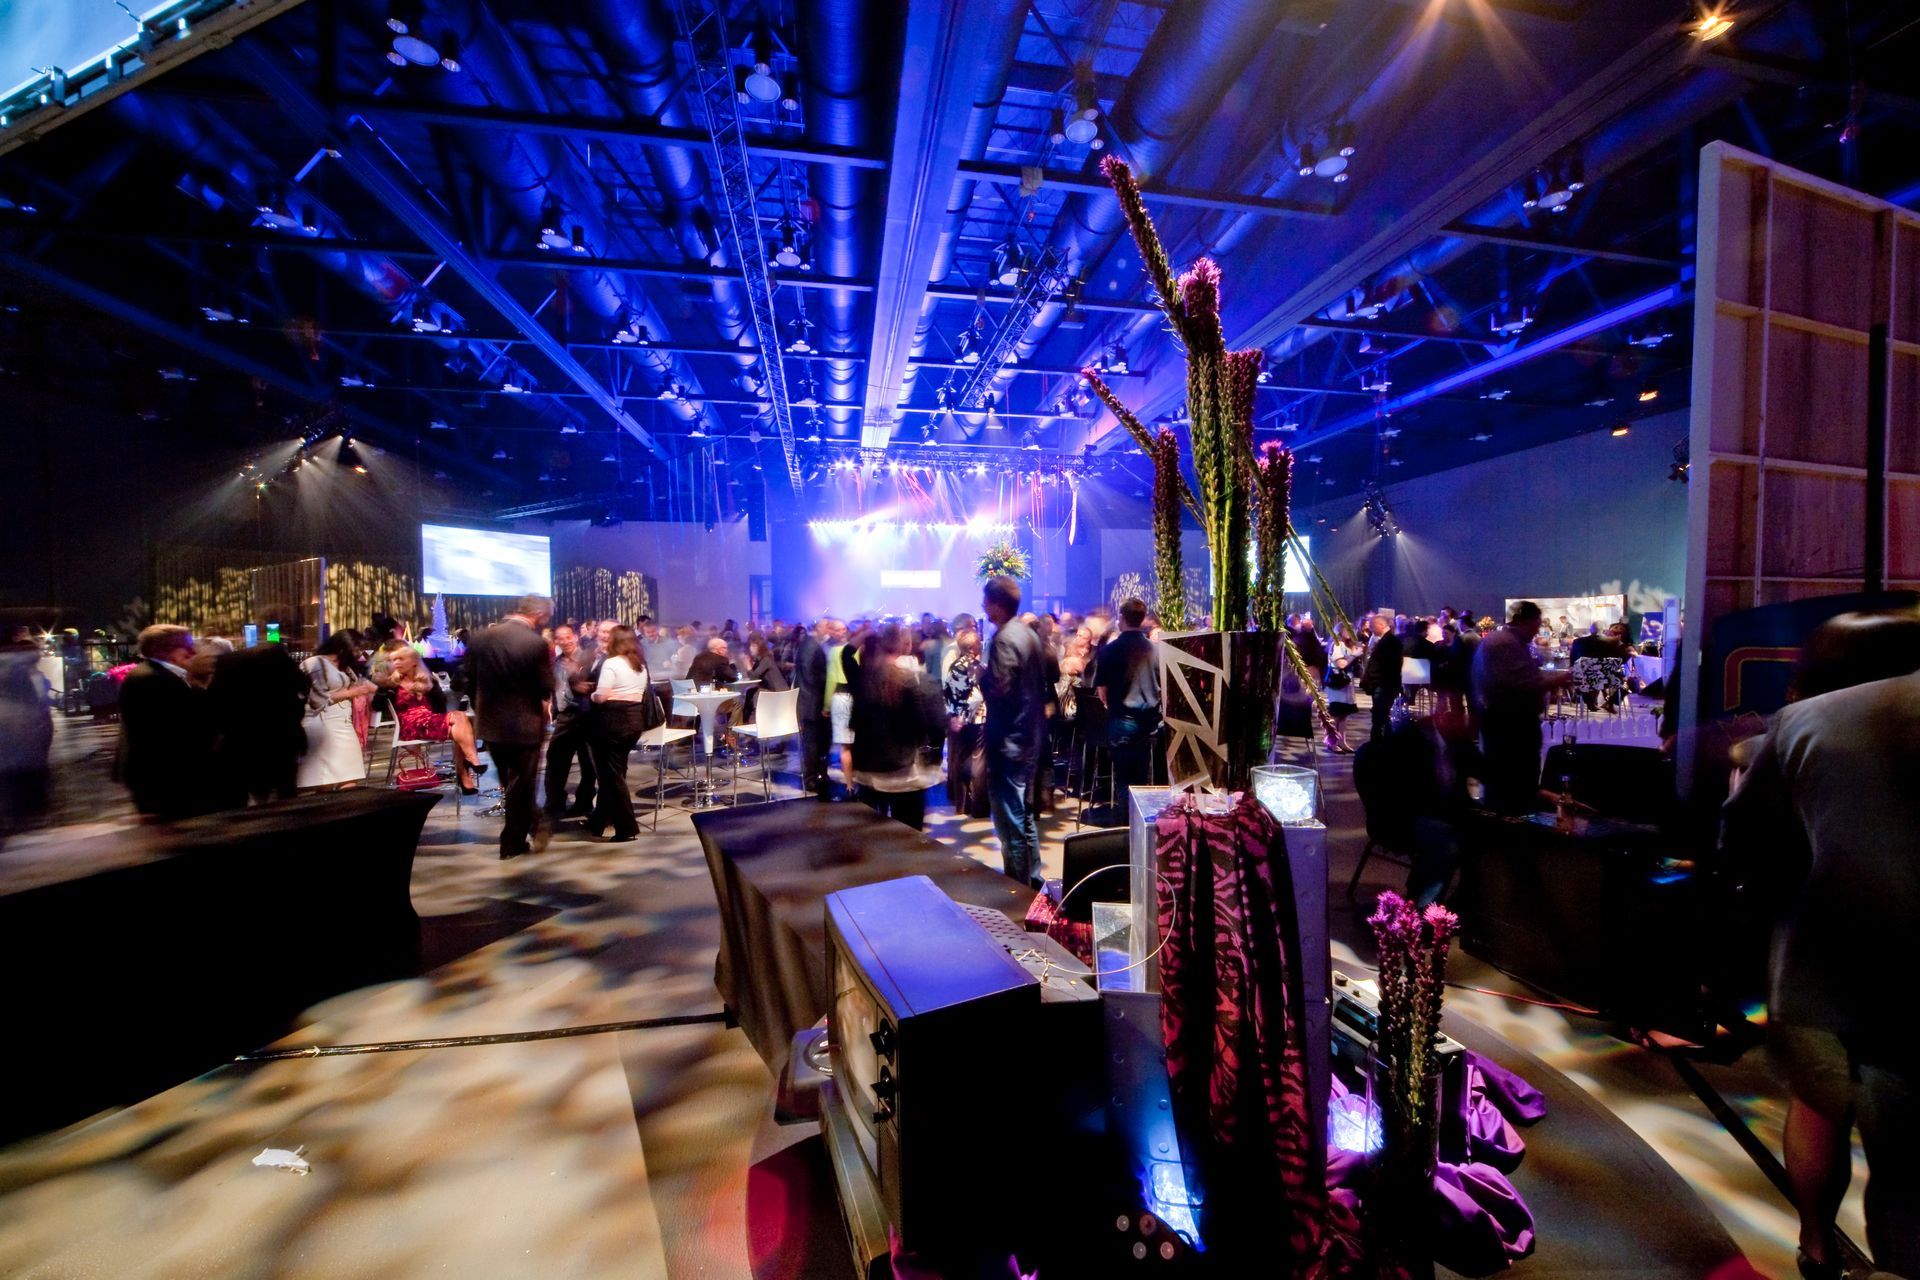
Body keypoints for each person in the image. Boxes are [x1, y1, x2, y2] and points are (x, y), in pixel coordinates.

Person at [1723, 611, 1920, 1280]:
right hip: (1905, 983)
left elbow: (1742, 845)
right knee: (1905, 1162)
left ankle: (1815, 1247)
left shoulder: (1801, 726)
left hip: (1821, 965)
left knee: (1816, 1106)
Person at [465, 595, 555, 859]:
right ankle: (513, 841)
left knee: (511, 782)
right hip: (524, 724)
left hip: (490, 723)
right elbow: (545, 685)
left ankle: (527, 829)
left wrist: (481, 708)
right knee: (521, 784)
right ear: (539, 615)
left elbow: (467, 680)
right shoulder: (534, 643)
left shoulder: (480, 638)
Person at [1470, 601, 1570, 814]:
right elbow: (1521, 682)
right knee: (1514, 778)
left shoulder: (1500, 640)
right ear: (1525, 621)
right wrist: (1557, 680)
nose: (1537, 631)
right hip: (1512, 722)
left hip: (1501, 718)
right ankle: (1514, 819)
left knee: (1503, 775)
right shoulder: (1506, 643)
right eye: (1536, 624)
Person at [980, 575, 1047, 887]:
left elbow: (1001, 690)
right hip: (1029, 736)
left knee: (1010, 823)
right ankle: (1032, 880)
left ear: (996, 605)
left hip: (1009, 740)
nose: (983, 607)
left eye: (986, 601)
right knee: (1025, 815)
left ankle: (1018, 888)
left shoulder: (1005, 638)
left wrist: (981, 677)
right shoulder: (1028, 633)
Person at [848, 623, 946, 830]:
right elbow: (921, 725)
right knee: (909, 833)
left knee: (873, 835)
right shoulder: (909, 679)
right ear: (902, 645)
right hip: (903, 771)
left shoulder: (863, 678)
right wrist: (931, 755)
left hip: (869, 772)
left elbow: (846, 655)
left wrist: (867, 633)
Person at [116, 624, 219, 818]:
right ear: (165, 649)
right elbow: (180, 729)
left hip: (160, 776)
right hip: (165, 778)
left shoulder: (156, 674)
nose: (193, 651)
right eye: (187, 645)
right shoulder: (153, 679)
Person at [208, 640, 310, 806]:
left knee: (254, 794)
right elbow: (297, 706)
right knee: (284, 791)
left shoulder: (232, 667)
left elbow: (216, 707)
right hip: (282, 742)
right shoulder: (283, 674)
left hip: (243, 743)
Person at [383, 645, 486, 792]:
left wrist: (431, 688)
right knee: (460, 721)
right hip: (409, 725)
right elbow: (377, 706)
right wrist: (381, 692)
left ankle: (467, 769)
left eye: (401, 659)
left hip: (429, 720)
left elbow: (440, 708)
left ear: (414, 661)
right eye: (394, 660)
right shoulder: (391, 683)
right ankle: (469, 765)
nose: (396, 663)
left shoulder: (427, 680)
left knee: (460, 721)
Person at [1095, 596, 1161, 810]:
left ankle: (1125, 819)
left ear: (1121, 618)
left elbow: (1102, 692)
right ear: (1142, 619)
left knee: (1123, 776)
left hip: (1121, 720)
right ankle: (1140, 820)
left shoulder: (1108, 650)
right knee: (1142, 775)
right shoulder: (1157, 650)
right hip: (1150, 722)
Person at [588, 624, 652, 843]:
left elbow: (602, 696)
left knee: (612, 777)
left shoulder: (612, 663)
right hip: (634, 722)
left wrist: (592, 694)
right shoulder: (639, 665)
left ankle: (626, 827)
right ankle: (598, 822)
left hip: (612, 723)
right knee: (612, 774)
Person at [297, 631, 378, 791]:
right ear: (343, 647)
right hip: (322, 724)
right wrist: (350, 693)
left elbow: (360, 685)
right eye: (356, 649)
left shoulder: (344, 667)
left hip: (343, 723)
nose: (359, 653)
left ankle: (346, 805)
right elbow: (317, 699)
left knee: (350, 774)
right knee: (325, 778)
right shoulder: (315, 664)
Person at [544, 623, 600, 824]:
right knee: (555, 761)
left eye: (568, 637)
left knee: (588, 764)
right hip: (565, 717)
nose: (565, 641)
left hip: (586, 716)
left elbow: (595, 686)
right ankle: (555, 804)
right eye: (560, 638)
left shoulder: (589, 659)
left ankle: (584, 802)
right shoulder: (555, 663)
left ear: (575, 637)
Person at [0, 628, 53, 841]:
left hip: (32, 729)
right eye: (34, 650)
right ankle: (22, 818)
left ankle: (25, 817)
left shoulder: (29, 672)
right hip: (21, 730)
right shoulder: (16, 673)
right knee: (19, 773)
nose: (39, 653)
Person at [942, 624, 988, 817]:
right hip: (978, 720)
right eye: (978, 644)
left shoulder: (954, 667)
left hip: (958, 722)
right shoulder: (979, 668)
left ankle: (961, 806)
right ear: (972, 647)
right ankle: (979, 807)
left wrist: (955, 716)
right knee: (979, 762)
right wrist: (965, 714)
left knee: (961, 760)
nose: (981, 646)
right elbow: (978, 697)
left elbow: (947, 694)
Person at [795, 618, 833, 798]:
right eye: (827, 627)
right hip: (812, 702)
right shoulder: (811, 646)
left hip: (810, 701)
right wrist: (830, 681)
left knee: (815, 742)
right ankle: (811, 779)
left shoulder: (808, 644)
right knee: (812, 743)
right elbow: (811, 676)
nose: (830, 630)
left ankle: (816, 776)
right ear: (819, 628)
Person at [1360, 613, 1404, 742]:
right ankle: (1382, 742)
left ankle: (1379, 743)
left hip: (1384, 685)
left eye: (1373, 626)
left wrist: (1374, 680)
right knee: (1381, 716)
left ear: (1380, 625)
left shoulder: (1390, 641)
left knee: (1380, 716)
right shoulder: (1388, 640)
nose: (1371, 629)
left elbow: (1389, 666)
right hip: (1383, 684)